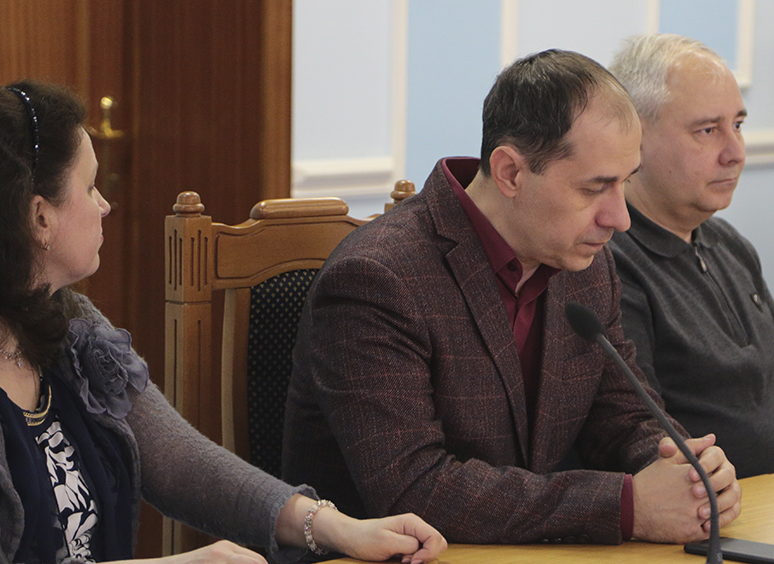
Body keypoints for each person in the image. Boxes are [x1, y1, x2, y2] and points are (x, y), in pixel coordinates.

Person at [282, 49, 741, 546]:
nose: (620, 218)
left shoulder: (586, 265)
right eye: (595, 188)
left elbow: (621, 415)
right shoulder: (377, 278)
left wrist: (683, 471)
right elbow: (414, 488)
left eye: (625, 182)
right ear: (510, 173)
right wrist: (626, 506)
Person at [0, 81, 447, 564]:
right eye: (90, 187)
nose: (105, 204)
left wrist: (338, 528)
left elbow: (181, 464)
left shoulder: (70, 324)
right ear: (40, 217)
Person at [607, 34, 774, 478]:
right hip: (715, 509)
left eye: (737, 125)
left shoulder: (730, 245)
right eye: (707, 130)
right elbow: (645, 438)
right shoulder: (610, 264)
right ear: (635, 138)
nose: (735, 153)